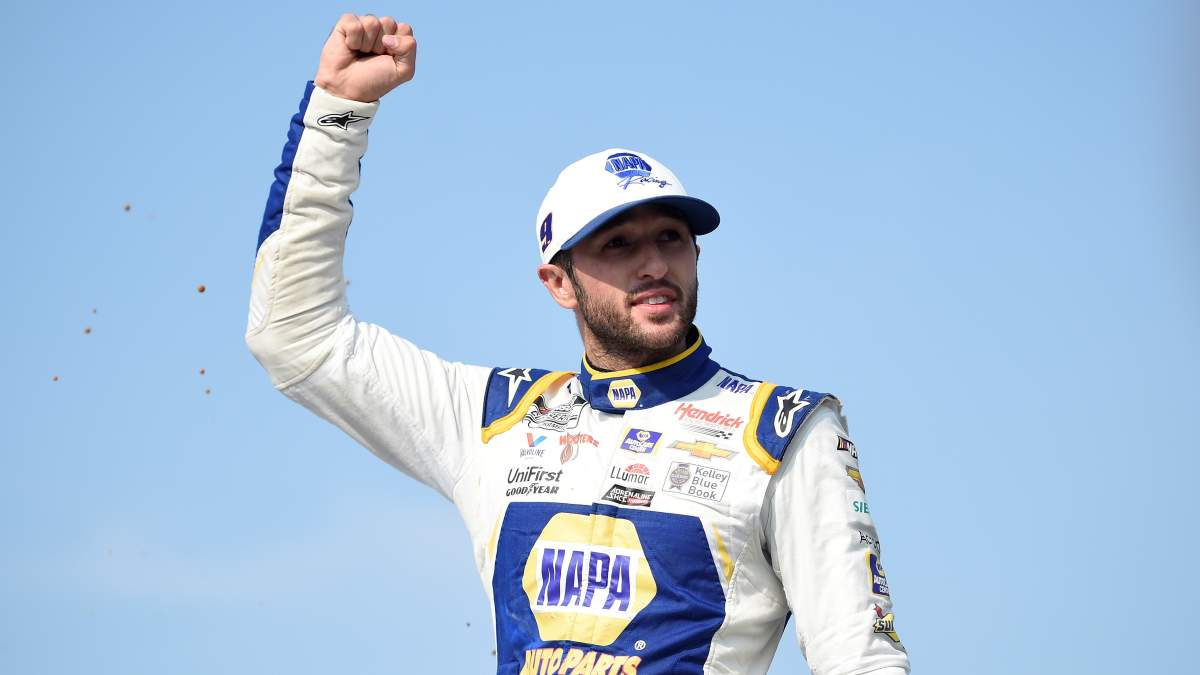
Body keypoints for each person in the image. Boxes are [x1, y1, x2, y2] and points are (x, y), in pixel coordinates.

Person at [246, 13, 910, 675]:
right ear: (559, 283)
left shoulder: (785, 430)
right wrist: (338, 111)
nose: (655, 264)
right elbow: (295, 335)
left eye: (671, 238)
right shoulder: (495, 418)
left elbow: (861, 660)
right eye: (618, 245)